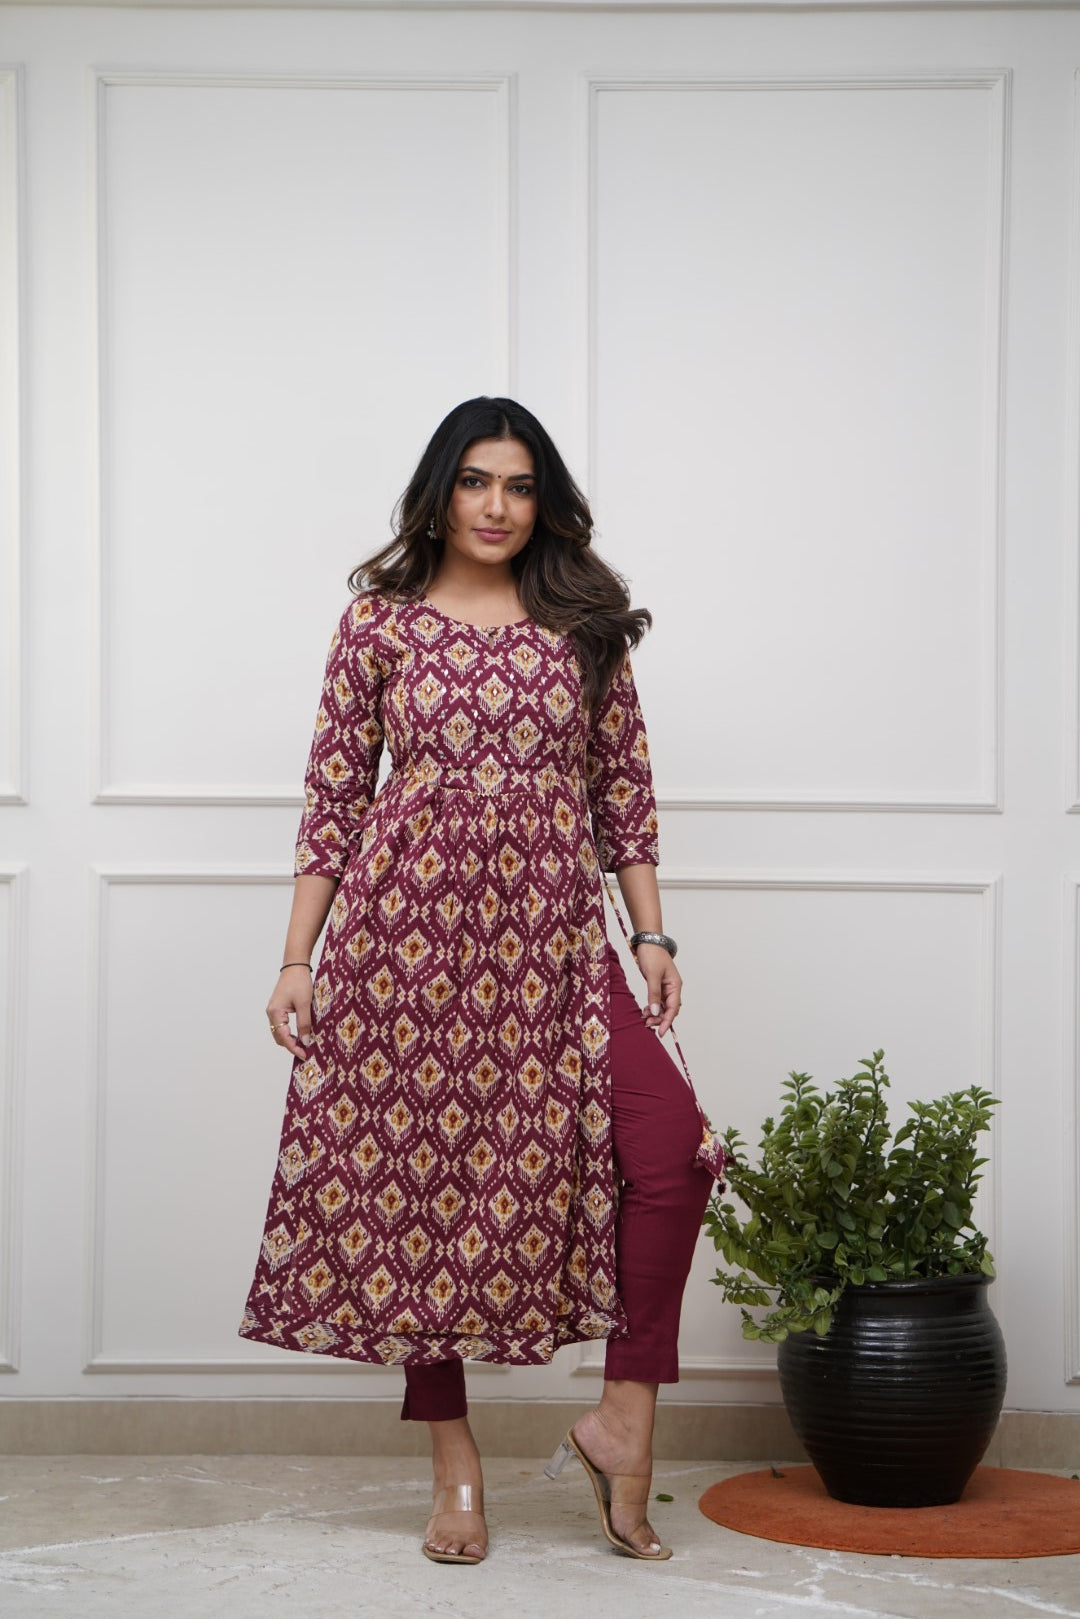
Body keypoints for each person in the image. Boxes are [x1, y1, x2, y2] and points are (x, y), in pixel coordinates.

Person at [238, 396, 718, 1564]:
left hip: (554, 943)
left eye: (518, 484)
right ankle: (454, 1463)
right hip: (402, 944)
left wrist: (651, 936)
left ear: (543, 500)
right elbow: (334, 796)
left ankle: (622, 1420)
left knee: (676, 1151)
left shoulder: (582, 624)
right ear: (440, 492)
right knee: (421, 1191)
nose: (497, 505)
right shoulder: (380, 623)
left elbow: (623, 791)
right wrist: (298, 956)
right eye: (474, 480)